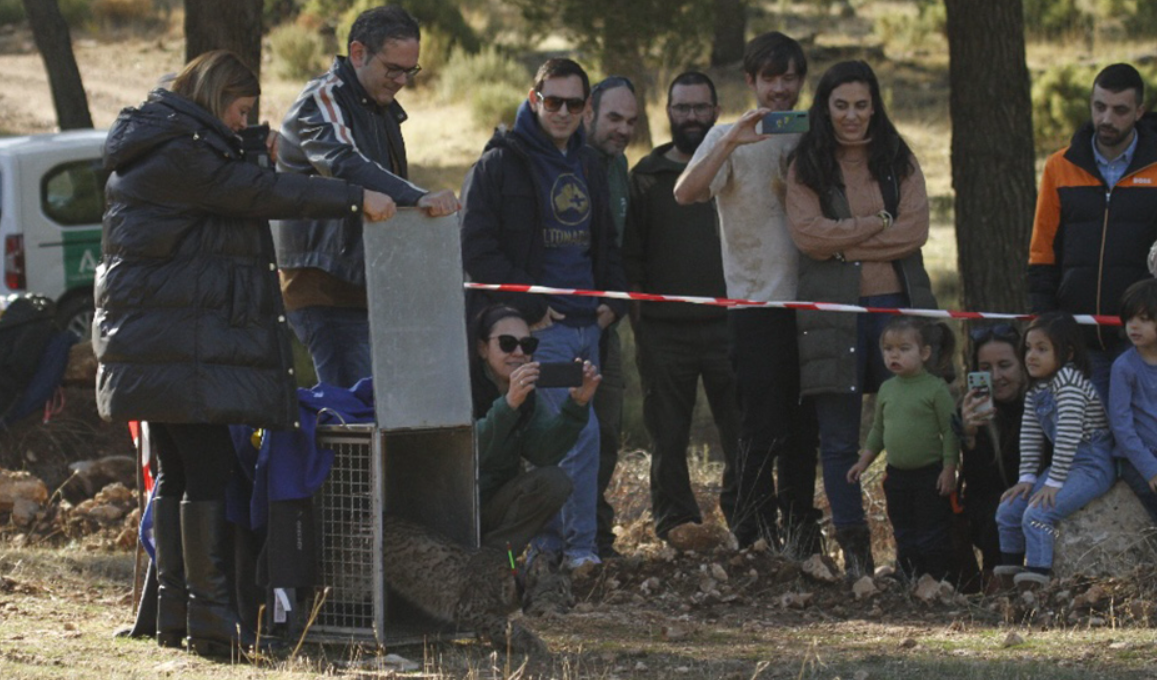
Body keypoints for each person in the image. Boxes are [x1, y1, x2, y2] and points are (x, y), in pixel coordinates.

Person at [94, 50, 394, 656]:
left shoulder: (162, 148)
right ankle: (210, 621)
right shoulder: (182, 157)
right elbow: (255, 191)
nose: (243, 122)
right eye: (240, 110)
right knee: (204, 471)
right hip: (178, 346)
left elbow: (240, 185)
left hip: (156, 344)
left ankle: (179, 613)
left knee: (182, 472)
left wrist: (252, 143)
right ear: (212, 99)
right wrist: (352, 196)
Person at [460, 58, 628, 574]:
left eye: (573, 104)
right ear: (533, 99)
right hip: (540, 328)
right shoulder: (500, 163)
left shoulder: (590, 164)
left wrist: (611, 302)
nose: (561, 112)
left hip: (588, 322)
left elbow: (607, 242)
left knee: (580, 432)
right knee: (573, 434)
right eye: (551, 101)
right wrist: (532, 308)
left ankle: (555, 549)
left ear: (586, 109)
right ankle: (574, 552)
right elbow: (476, 250)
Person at [785, 59, 937, 577]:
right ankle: (856, 555)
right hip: (833, 312)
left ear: (876, 106)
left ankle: (918, 550)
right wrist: (875, 225)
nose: (852, 116)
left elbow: (913, 231)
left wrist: (844, 243)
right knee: (839, 438)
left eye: (862, 104)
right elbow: (807, 235)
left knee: (912, 428)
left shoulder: (899, 159)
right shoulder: (806, 163)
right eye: (841, 105)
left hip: (897, 307)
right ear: (825, 108)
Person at [673, 31, 820, 554]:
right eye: (770, 78)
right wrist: (732, 140)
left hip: (815, 302)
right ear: (751, 81)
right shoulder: (723, 136)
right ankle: (754, 531)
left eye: (790, 77)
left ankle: (803, 533)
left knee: (806, 427)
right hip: (756, 302)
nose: (781, 90)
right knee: (762, 422)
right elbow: (686, 191)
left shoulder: (813, 133)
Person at [275, 5, 459, 388]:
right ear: (358, 53)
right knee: (352, 418)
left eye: (411, 71)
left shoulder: (381, 107)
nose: (402, 81)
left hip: (371, 285)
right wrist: (417, 197)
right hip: (323, 286)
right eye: (393, 69)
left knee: (378, 414)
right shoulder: (322, 99)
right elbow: (344, 162)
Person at [622, 71, 740, 547]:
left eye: (700, 108)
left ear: (716, 112)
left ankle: (746, 517)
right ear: (667, 113)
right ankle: (674, 523)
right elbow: (632, 256)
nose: (691, 117)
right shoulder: (645, 177)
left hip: (729, 328)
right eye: (682, 108)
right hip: (663, 333)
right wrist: (640, 322)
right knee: (667, 436)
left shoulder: (733, 169)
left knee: (740, 432)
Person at [1027, 63, 1157, 402]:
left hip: (1142, 337)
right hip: (1077, 338)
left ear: (1139, 112)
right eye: (1099, 107)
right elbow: (1042, 251)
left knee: (1139, 439)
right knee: (1085, 440)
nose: (1107, 119)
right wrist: (1044, 322)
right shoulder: (1060, 165)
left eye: (1120, 110)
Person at [995, 312, 1116, 590]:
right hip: (1066, 465)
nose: (1031, 356)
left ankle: (1037, 582)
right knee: (1009, 509)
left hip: (1091, 465)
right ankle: (1008, 580)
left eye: (1042, 349)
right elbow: (1031, 435)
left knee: (1038, 513)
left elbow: (1069, 435)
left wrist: (1054, 482)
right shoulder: (1037, 388)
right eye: (1028, 348)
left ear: (1068, 352)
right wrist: (1026, 478)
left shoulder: (1070, 384)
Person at [472, 305, 601, 556]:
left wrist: (576, 406)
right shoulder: (464, 385)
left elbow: (544, 454)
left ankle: (495, 558)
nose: (519, 353)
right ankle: (493, 561)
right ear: (482, 348)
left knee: (554, 481)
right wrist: (508, 406)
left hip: (497, 504)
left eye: (528, 345)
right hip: (456, 503)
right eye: (507, 343)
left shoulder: (525, 391)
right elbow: (471, 453)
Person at [847, 317, 958, 580]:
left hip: (930, 476)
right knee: (904, 531)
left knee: (931, 532)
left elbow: (951, 431)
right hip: (896, 476)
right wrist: (863, 462)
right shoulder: (886, 389)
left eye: (904, 348)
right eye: (888, 349)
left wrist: (949, 468)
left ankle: (937, 581)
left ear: (924, 353)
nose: (894, 354)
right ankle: (908, 579)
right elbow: (878, 431)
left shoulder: (936, 389)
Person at [584, 76, 638, 559]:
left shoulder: (620, 166)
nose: (622, 130)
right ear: (588, 113)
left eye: (630, 121)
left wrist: (615, 305)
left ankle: (597, 540)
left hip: (607, 322)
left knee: (605, 431)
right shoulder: (562, 162)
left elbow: (623, 248)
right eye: (613, 118)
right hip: (555, 323)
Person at [956, 324, 1035, 586]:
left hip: (1036, 495)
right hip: (991, 508)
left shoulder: (1039, 404)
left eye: (1004, 365)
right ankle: (994, 581)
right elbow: (979, 485)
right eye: (986, 368)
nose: (996, 376)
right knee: (993, 508)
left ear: (1023, 365)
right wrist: (970, 436)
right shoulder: (971, 410)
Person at [1109, 279, 1157, 523]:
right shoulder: (1124, 367)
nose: (1134, 326)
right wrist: (1150, 468)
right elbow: (1121, 426)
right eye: (1129, 319)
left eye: (1145, 319)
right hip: (1135, 459)